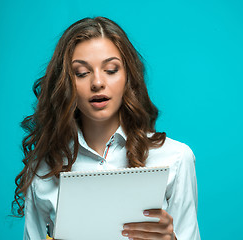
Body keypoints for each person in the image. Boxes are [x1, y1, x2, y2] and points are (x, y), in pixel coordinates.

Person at [12, 16, 200, 240]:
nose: (97, 82)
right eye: (82, 73)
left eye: (111, 70)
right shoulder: (44, 167)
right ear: (66, 83)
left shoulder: (176, 158)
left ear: (128, 77)